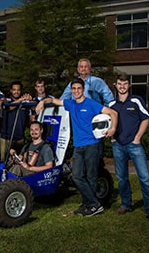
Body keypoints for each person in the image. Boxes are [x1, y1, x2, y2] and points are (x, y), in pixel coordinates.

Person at [36, 77, 118, 217]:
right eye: (73, 89)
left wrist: (113, 129)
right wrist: (42, 102)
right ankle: (93, 204)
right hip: (78, 146)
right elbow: (54, 100)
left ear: (83, 90)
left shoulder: (91, 104)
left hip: (92, 144)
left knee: (91, 176)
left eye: (79, 88)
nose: (76, 91)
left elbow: (113, 113)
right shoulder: (70, 104)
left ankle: (90, 204)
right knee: (77, 176)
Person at [109, 73, 149, 224]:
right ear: (115, 85)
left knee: (145, 178)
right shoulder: (111, 105)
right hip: (118, 145)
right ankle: (126, 204)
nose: (122, 87)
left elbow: (146, 119)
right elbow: (107, 122)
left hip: (134, 145)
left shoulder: (136, 100)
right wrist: (112, 137)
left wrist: (137, 137)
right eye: (119, 84)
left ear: (129, 85)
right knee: (122, 178)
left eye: (125, 84)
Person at [0, 81, 32, 161]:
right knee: (4, 160)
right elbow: (9, 107)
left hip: (20, 137)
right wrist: (21, 99)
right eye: (14, 90)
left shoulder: (25, 103)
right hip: (6, 137)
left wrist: (30, 100)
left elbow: (32, 114)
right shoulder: (6, 100)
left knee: (18, 160)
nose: (16, 92)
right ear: (11, 90)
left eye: (18, 90)